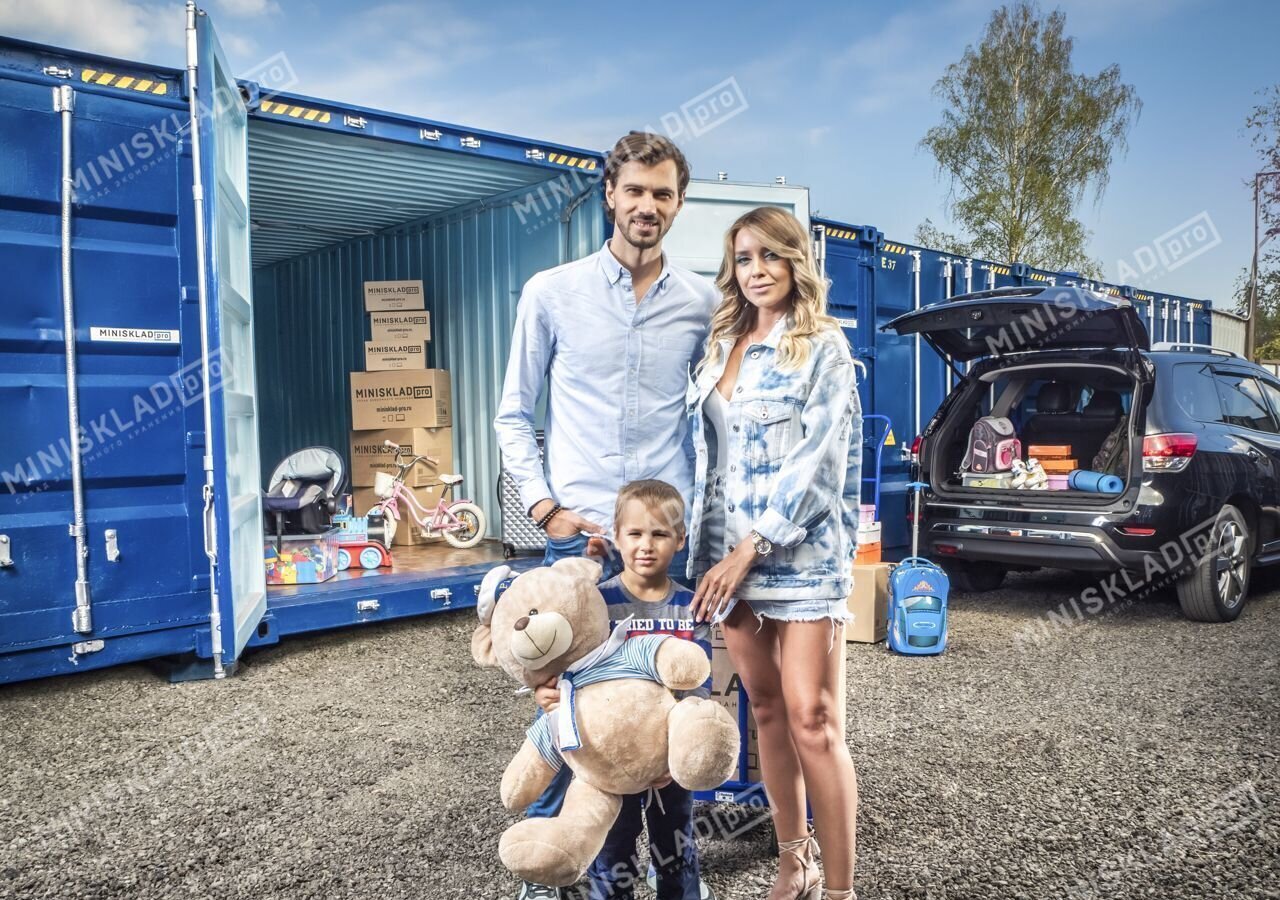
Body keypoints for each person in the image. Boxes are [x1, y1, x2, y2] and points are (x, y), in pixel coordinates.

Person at [493, 131, 718, 900]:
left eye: (663, 193)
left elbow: (721, 419)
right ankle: (564, 865)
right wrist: (546, 507)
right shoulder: (550, 293)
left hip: (663, 549)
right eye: (635, 191)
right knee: (567, 707)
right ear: (609, 194)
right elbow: (513, 414)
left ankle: (675, 871)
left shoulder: (703, 304)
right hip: (579, 550)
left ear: (678, 204)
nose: (647, 206)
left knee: (664, 708)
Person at [686, 206, 862, 900]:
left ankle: (843, 889)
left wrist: (751, 550)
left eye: (770, 257)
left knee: (811, 718)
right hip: (725, 555)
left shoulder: (823, 346)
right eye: (743, 259)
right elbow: (708, 461)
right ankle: (797, 863)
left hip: (801, 558)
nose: (756, 272)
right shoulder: (718, 343)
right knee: (763, 713)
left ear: (795, 262)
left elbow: (819, 468)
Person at [575, 480, 713, 900]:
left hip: (670, 761)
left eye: (659, 534)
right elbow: (581, 676)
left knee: (676, 851)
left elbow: (699, 686)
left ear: (680, 539)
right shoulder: (598, 604)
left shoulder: (691, 607)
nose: (646, 545)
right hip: (611, 760)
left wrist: (680, 752)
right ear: (617, 537)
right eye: (635, 533)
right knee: (612, 854)